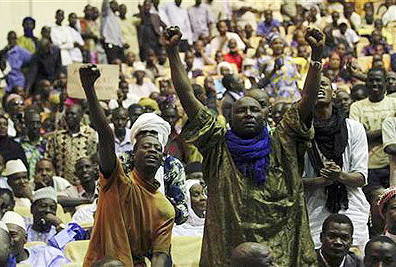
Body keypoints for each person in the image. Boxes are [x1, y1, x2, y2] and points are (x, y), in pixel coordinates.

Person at [164, 25, 324, 266]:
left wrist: (316, 56)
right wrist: (173, 52)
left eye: (254, 109)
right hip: (231, 247)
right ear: (229, 117)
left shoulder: (283, 141)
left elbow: (308, 101)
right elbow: (188, 97)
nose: (248, 114)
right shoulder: (218, 145)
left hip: (281, 249)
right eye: (241, 110)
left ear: (265, 115)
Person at [79, 65, 175, 266]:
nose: (152, 151)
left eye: (157, 149)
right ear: (133, 155)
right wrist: (89, 88)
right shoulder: (117, 181)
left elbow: (160, 255)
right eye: (146, 147)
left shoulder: (164, 207)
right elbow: (105, 135)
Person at [303, 75, 370, 252]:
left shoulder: (354, 128)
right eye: (313, 86)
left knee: (354, 258)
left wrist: (339, 175)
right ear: (306, 96)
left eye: (324, 84)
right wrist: (321, 181)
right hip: (316, 210)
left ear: (333, 93)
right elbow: (292, 182)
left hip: (351, 205)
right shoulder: (300, 133)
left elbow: (361, 178)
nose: (319, 88)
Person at [350, 68, 396, 190]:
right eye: (371, 80)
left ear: (385, 82)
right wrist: (388, 132)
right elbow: (357, 138)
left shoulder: (394, 103)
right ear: (366, 83)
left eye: (378, 80)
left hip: (390, 165)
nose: (375, 84)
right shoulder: (356, 107)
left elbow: (365, 136)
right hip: (366, 166)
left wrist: (368, 134)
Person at [46, 104, 98, 185]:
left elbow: (93, 157)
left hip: (84, 183)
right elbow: (50, 159)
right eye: (67, 114)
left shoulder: (90, 134)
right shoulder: (57, 136)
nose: (69, 116)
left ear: (81, 116)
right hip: (62, 183)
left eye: (73, 114)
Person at [2, 211, 70, 266]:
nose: (7, 240)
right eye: (3, 236)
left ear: (25, 238)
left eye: (12, 235)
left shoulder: (47, 254)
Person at [20, 109, 47, 182]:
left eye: (38, 123)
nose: (35, 126)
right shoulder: (19, 144)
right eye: (31, 123)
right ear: (26, 124)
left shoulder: (47, 144)